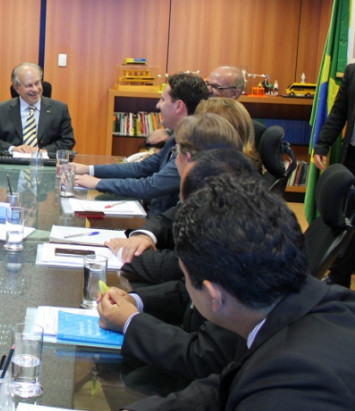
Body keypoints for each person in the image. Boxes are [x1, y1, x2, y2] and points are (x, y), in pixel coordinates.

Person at [123, 174, 355, 410]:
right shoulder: (315, 304)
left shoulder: (289, 391)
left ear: (214, 296)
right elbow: (227, 384)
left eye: (186, 277)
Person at [98, 150, 258, 383]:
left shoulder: (238, 274)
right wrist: (135, 301)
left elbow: (203, 358)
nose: (180, 211)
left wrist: (131, 321)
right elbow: (187, 294)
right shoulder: (239, 236)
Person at [108, 114, 243, 266]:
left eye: (175, 153)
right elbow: (169, 217)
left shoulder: (217, 207)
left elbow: (182, 267)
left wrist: (124, 252)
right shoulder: (213, 189)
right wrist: (145, 236)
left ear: (189, 158)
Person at [73, 72, 208, 216]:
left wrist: (97, 183)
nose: (158, 105)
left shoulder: (193, 145)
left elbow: (150, 186)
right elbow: (142, 168)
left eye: (163, 99)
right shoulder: (176, 135)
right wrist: (89, 169)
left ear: (179, 106)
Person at [313, 62, 355, 287]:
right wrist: (323, 144)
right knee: (346, 220)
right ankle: (339, 276)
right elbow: (339, 111)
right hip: (353, 156)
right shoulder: (352, 72)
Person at [0, 62, 75, 154]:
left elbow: (68, 141)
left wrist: (43, 151)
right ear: (17, 88)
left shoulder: (60, 109)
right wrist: (12, 149)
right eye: (29, 85)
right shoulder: (1, 109)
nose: (35, 89)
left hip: (45, 164)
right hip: (13, 163)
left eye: (37, 83)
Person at [146, 65, 245, 145]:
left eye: (216, 86)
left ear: (234, 94)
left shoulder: (238, 125)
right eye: (207, 84)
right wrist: (167, 132)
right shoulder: (199, 111)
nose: (208, 90)